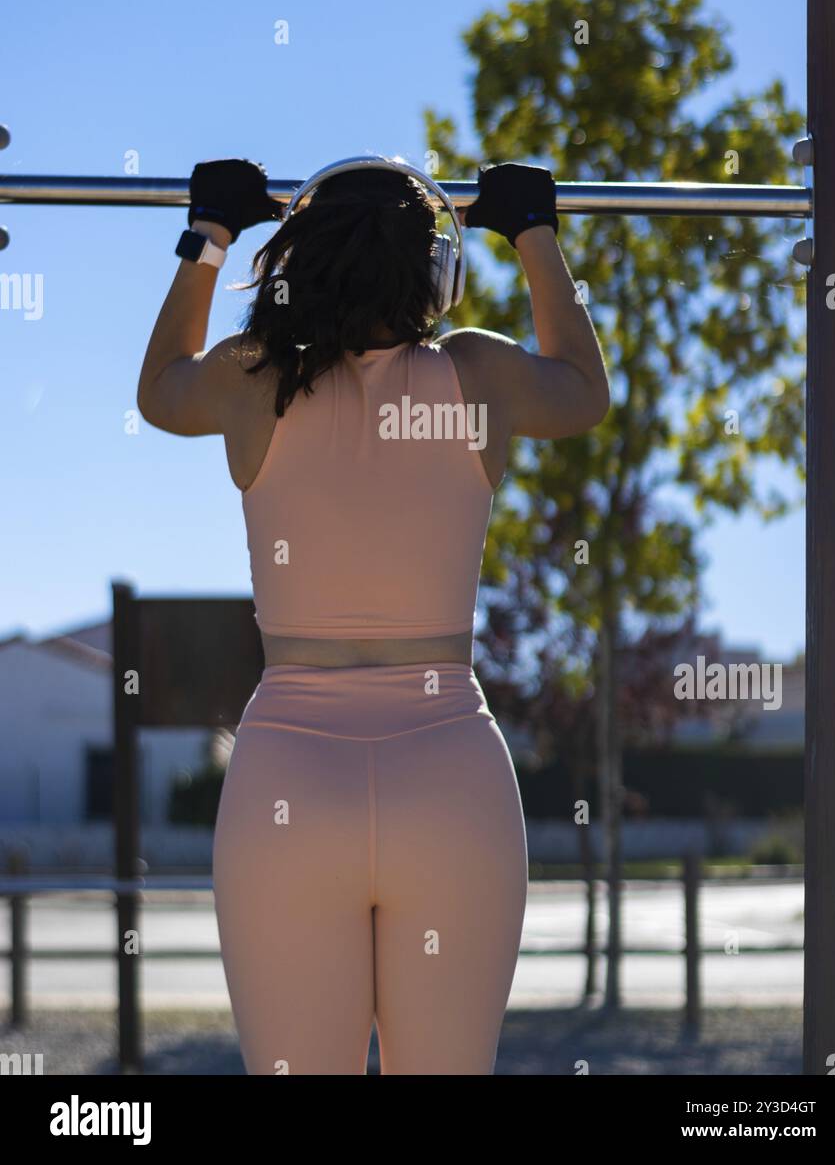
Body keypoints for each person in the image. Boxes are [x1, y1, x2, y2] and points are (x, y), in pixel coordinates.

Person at [137, 154, 609, 1075]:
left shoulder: (252, 376)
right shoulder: (479, 373)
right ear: (437, 272)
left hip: (287, 785)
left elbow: (159, 388)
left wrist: (210, 237)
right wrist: (533, 232)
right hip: (452, 782)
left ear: (299, 258)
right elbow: (584, 390)